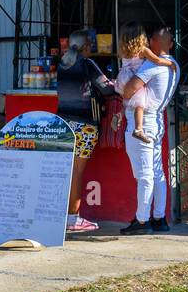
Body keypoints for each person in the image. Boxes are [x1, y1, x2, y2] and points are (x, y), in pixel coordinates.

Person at [119, 25, 180, 234]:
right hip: (157, 119)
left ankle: (142, 220)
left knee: (145, 174)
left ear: (151, 43)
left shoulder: (150, 66)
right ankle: (159, 217)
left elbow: (128, 91)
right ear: (170, 43)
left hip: (144, 120)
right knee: (157, 172)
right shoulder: (174, 65)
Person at [56, 29, 114, 233]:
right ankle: (73, 219)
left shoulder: (62, 64)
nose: (92, 48)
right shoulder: (87, 63)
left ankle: (61, 216)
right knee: (77, 173)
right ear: (86, 46)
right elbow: (107, 89)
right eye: (90, 44)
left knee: (66, 171)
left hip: (63, 124)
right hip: (83, 125)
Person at [116, 25, 177, 144]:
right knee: (140, 104)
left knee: (130, 100)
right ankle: (138, 129)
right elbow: (157, 60)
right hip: (134, 77)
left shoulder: (124, 51)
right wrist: (169, 63)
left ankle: (119, 114)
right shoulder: (142, 50)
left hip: (124, 77)